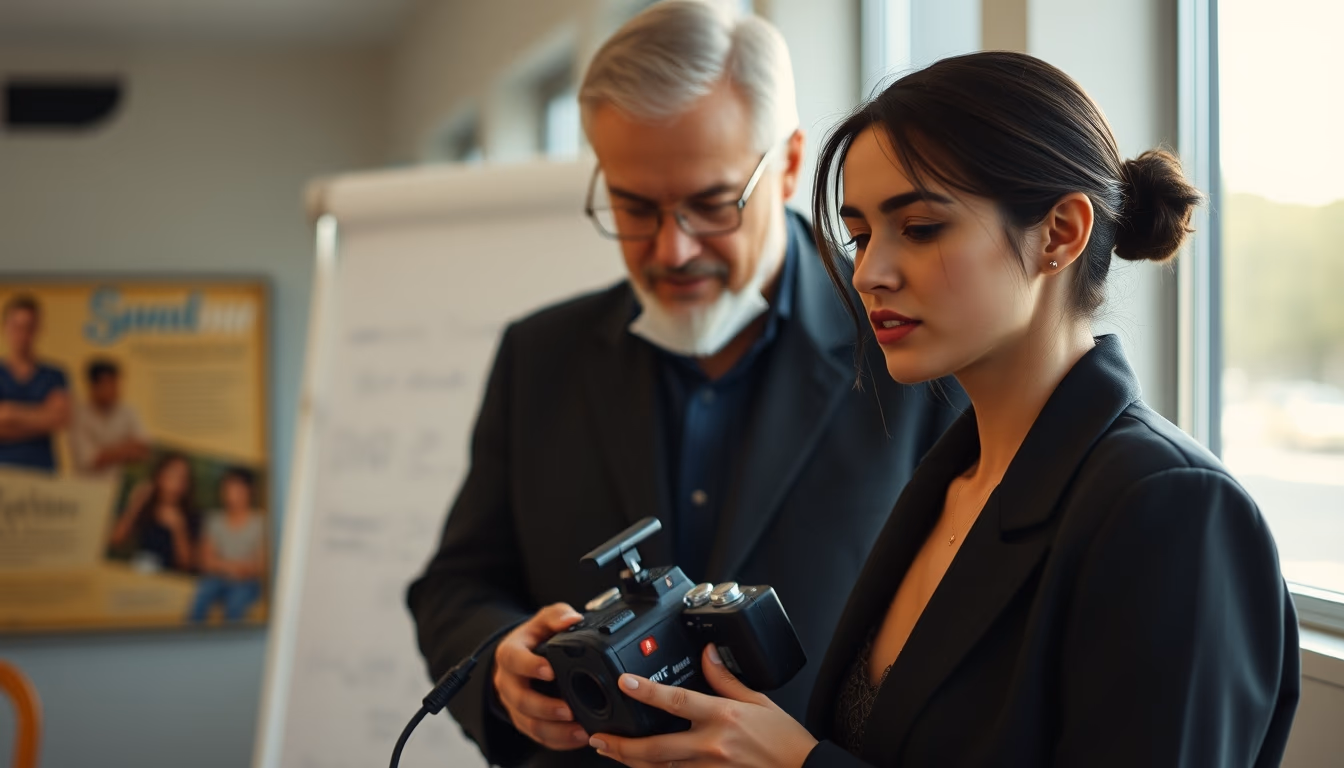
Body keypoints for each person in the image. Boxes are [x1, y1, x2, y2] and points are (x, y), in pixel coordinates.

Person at [585, 51, 1300, 767]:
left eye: (920, 228)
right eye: (860, 236)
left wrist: (799, 764)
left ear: (1060, 233)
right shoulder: (951, 481)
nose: (869, 273)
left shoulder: (1172, 506)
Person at [406, 3, 962, 767]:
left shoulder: (919, 354)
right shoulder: (538, 357)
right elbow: (455, 586)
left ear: (789, 165)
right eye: (635, 207)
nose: (672, 249)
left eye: (711, 204)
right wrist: (502, 662)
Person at [0, 294, 71, 471]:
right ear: (5, 327)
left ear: (38, 328)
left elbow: (59, 419)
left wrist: (10, 413)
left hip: (42, 471)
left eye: (28, 327)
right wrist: (40, 417)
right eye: (16, 326)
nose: (22, 334)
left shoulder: (55, 375)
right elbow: (49, 419)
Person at [188, 467, 266, 622]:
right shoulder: (214, 520)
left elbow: (260, 566)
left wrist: (224, 565)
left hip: (248, 582)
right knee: (201, 596)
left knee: (235, 604)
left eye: (238, 489)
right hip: (218, 578)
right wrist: (234, 568)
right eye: (228, 489)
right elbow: (206, 561)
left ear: (249, 491)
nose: (232, 494)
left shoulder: (261, 522)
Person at [109, 452, 200, 573]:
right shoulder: (145, 504)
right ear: (159, 476)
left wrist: (178, 529)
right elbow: (115, 540)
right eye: (173, 474)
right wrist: (135, 504)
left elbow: (187, 564)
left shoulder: (192, 515)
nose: (178, 482)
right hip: (138, 570)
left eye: (183, 477)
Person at [71, 358, 152, 479]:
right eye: (109, 384)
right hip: (88, 485)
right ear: (93, 386)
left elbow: (143, 448)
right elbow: (89, 460)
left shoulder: (128, 411)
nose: (115, 390)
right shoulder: (78, 415)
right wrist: (126, 449)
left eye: (116, 384)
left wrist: (107, 454)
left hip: (121, 485)